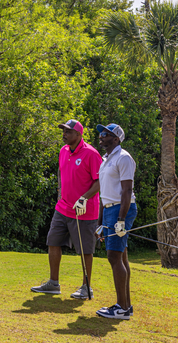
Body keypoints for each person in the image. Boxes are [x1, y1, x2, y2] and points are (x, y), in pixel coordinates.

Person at [31, 119, 101, 298]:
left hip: (84, 210)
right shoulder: (63, 151)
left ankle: (86, 287)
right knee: (53, 241)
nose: (64, 134)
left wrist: (84, 198)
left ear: (78, 134)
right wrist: (60, 193)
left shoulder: (91, 154)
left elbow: (99, 180)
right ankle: (53, 283)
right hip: (63, 208)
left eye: (68, 132)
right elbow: (62, 174)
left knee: (85, 249)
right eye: (63, 131)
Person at [95, 123, 137, 320]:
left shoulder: (124, 158)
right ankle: (126, 306)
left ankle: (121, 308)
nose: (101, 136)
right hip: (109, 210)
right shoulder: (105, 161)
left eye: (106, 134)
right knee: (121, 257)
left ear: (116, 139)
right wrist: (100, 223)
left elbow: (127, 191)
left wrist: (121, 219)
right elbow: (105, 195)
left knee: (113, 257)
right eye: (101, 133)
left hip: (122, 209)